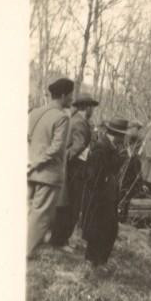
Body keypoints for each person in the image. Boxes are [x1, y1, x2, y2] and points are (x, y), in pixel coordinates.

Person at [27, 77, 74, 258]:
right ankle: (25, 252)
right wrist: (39, 161)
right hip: (48, 173)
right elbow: (56, 147)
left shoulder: (35, 112)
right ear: (63, 96)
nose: (71, 99)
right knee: (41, 215)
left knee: (30, 211)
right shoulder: (62, 117)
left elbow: (27, 138)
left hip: (31, 170)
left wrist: (31, 162)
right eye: (70, 96)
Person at [50, 93, 99, 250]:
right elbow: (78, 145)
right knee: (72, 206)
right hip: (76, 171)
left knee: (67, 205)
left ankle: (59, 238)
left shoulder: (75, 119)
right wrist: (67, 161)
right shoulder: (80, 123)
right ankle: (60, 240)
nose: (92, 111)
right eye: (92, 107)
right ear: (87, 107)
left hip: (72, 169)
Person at [81, 118, 128, 270]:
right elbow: (95, 175)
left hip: (108, 194)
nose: (123, 140)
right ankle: (93, 260)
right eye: (122, 136)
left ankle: (100, 260)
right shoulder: (101, 147)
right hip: (100, 196)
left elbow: (110, 168)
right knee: (99, 228)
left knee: (109, 229)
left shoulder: (110, 146)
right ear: (117, 135)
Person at [117, 125, 144, 220]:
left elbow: (138, 176)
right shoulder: (124, 155)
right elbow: (138, 176)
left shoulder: (133, 157)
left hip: (128, 187)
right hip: (124, 186)